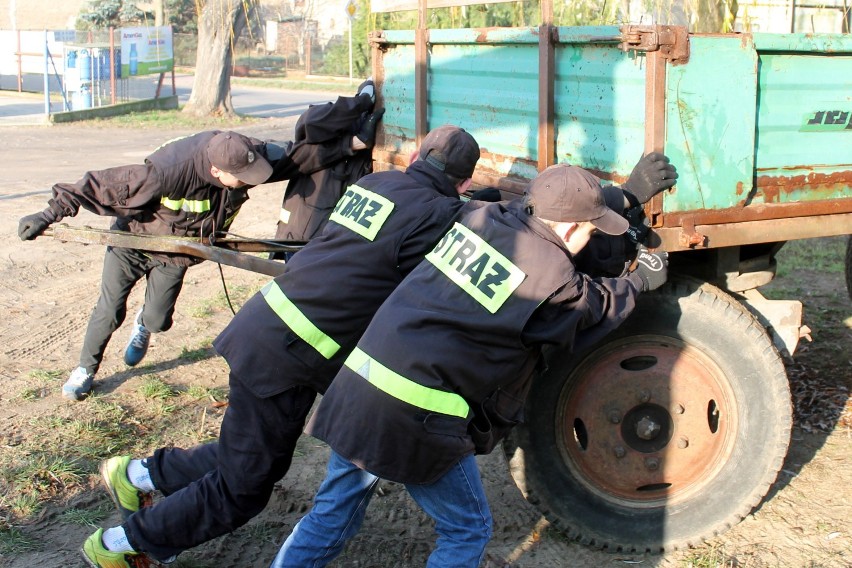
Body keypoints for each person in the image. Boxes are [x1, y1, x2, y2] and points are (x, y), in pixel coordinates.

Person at [78, 124, 483, 567]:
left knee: (253, 451)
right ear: (463, 184)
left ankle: (137, 475)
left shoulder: (373, 183)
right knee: (243, 487)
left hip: (269, 327)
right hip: (289, 352)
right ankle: (122, 545)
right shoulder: (443, 214)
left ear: (412, 159)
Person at [270, 164, 670, 568]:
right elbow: (592, 306)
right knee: (468, 530)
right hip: (415, 418)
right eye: (591, 229)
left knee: (330, 516)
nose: (591, 238)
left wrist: (623, 195)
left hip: (360, 389)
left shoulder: (480, 217)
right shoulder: (554, 275)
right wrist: (640, 282)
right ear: (568, 229)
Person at [17, 86, 379, 402]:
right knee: (109, 309)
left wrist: (351, 144)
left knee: (159, 320)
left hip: (176, 253)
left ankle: (145, 324)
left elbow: (295, 159)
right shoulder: (165, 172)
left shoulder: (243, 153)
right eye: (241, 180)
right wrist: (49, 213)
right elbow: (97, 184)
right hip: (135, 242)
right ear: (217, 172)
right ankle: (84, 370)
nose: (248, 184)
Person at [274, 79, 385, 247]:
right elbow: (308, 122)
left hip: (332, 243)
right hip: (301, 238)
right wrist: (360, 103)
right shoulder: (326, 133)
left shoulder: (367, 151)